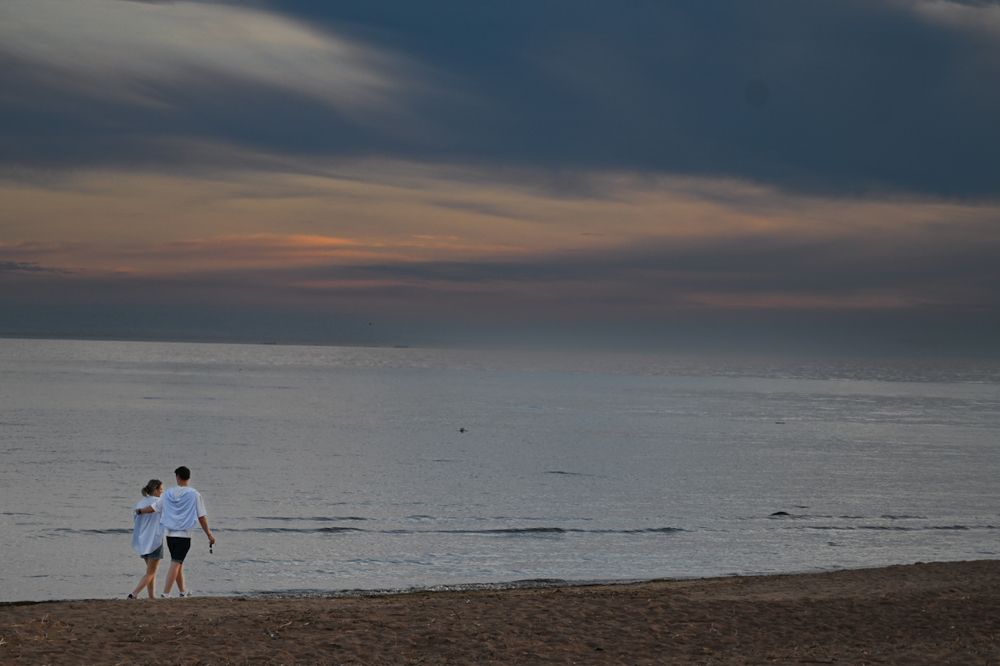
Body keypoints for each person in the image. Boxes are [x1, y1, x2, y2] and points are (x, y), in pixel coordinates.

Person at [138, 465, 215, 597]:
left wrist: (140, 511)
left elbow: (154, 507)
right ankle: (166, 593)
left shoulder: (168, 493)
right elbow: (201, 516)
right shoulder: (195, 494)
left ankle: (182, 591)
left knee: (178, 562)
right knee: (175, 562)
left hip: (169, 535)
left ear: (177, 477)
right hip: (184, 535)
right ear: (188, 477)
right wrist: (209, 534)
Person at [129, 478, 164, 599]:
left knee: (150, 572)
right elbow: (153, 509)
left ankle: (151, 597)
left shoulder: (140, 502)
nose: (162, 492)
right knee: (151, 572)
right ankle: (134, 594)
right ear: (155, 490)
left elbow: (137, 522)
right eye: (161, 490)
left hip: (143, 541)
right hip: (155, 540)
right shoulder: (159, 502)